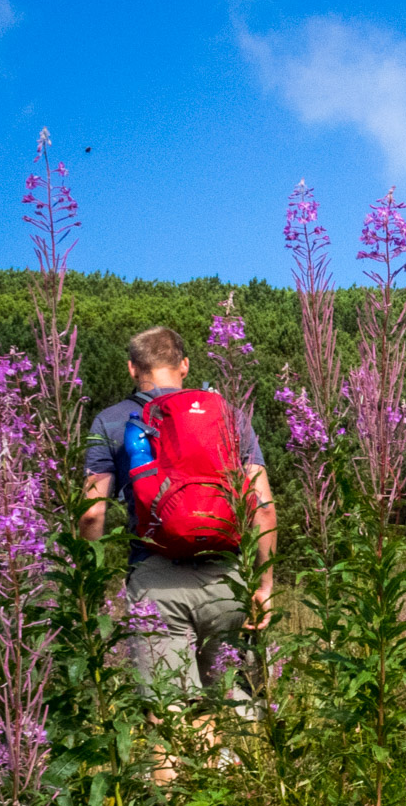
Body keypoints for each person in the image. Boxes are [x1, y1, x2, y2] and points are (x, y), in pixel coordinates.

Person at [80, 327, 276, 770]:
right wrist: (263, 585)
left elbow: (93, 514)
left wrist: (84, 583)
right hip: (226, 578)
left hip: (156, 581)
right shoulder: (226, 415)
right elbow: (263, 507)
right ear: (184, 365)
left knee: (170, 718)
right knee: (235, 705)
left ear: (133, 369)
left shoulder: (111, 421)